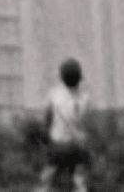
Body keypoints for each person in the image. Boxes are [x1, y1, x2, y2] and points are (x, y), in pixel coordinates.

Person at [42, 56, 91, 192]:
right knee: (79, 177)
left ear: (62, 77)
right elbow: (87, 123)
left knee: (48, 176)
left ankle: (43, 189)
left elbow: (47, 119)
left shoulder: (54, 94)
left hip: (58, 144)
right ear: (79, 78)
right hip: (78, 145)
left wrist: (47, 136)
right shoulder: (85, 98)